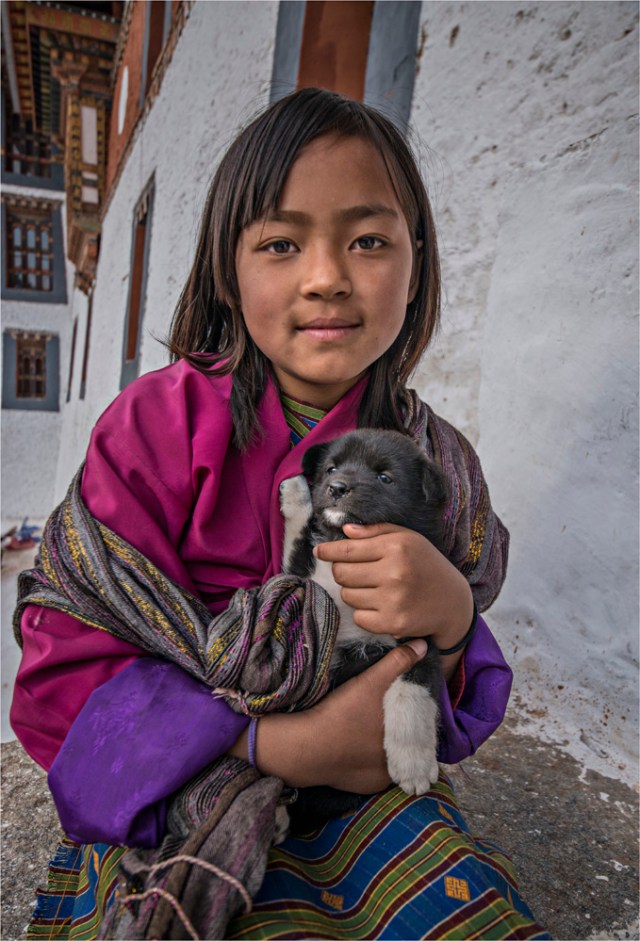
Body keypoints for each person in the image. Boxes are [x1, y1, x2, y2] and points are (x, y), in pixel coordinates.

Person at [11, 88, 548, 940]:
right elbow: (67, 658)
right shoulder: (155, 428)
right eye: (281, 242)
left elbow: (433, 681)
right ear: (231, 269)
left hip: (361, 792)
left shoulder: (432, 462)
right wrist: (277, 745)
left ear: (418, 263)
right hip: (174, 788)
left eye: (369, 240)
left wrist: (448, 616)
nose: (328, 275)